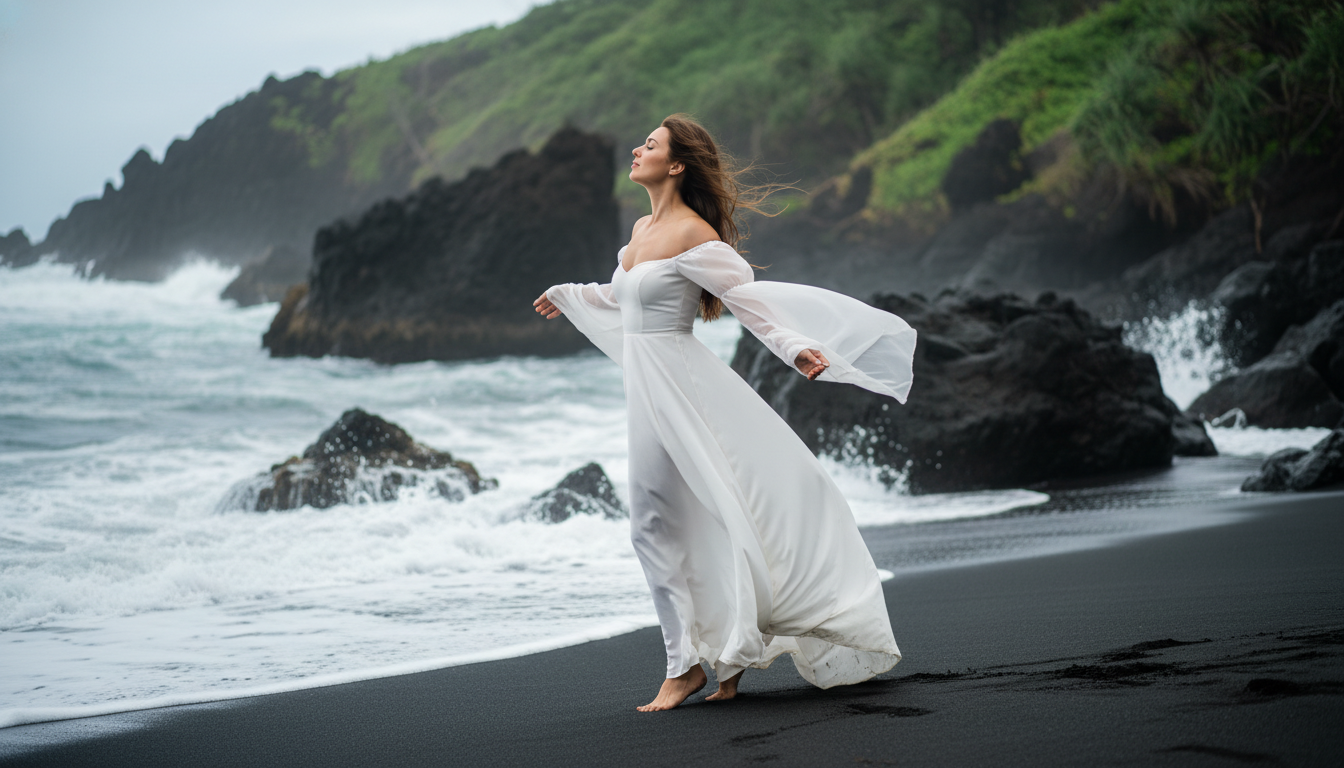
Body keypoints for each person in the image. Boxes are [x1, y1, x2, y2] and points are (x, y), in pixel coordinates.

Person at [533, 114, 917, 712]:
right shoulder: (639, 229)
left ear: (676, 164)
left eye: (650, 145)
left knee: (688, 516)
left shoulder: (694, 233)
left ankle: (691, 665)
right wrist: (569, 294)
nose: (637, 149)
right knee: (670, 521)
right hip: (648, 389)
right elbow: (621, 296)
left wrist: (794, 347)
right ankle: (718, 656)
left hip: (686, 388)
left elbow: (745, 299)